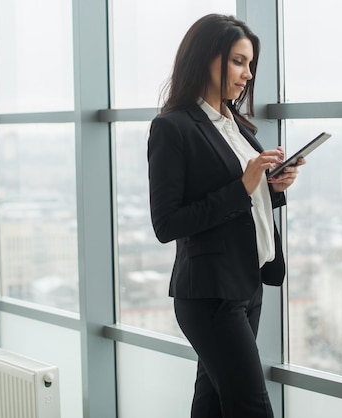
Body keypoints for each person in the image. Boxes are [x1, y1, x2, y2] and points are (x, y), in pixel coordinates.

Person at [147, 13, 304, 418]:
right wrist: (243, 187)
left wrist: (271, 189)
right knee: (251, 408)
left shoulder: (236, 124)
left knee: (213, 404)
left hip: (247, 285)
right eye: (238, 61)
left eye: (250, 64)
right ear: (206, 59)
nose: (247, 74)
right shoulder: (173, 128)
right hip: (210, 296)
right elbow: (167, 224)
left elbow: (244, 202)